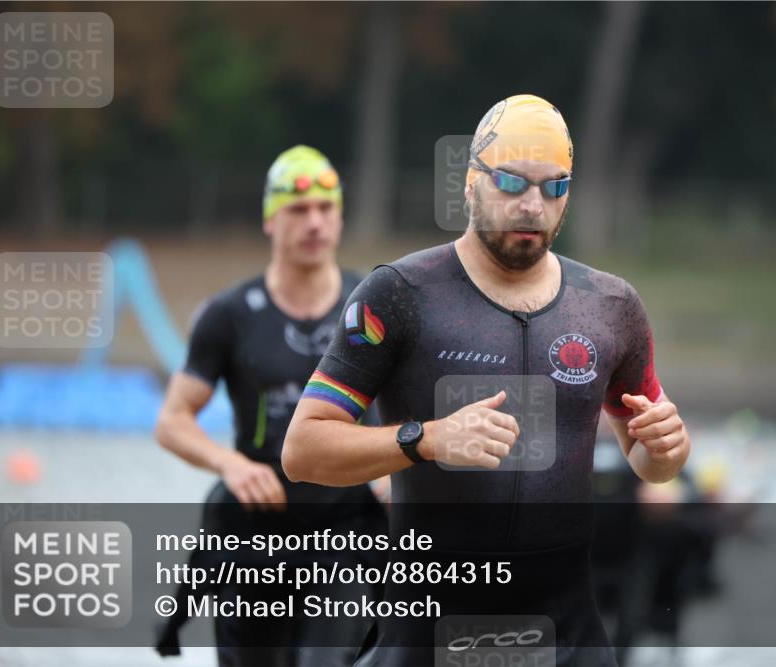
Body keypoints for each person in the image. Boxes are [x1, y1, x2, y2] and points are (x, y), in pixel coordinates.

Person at [283, 95, 691, 666]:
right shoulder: (401, 293)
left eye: (553, 187)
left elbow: (651, 461)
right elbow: (302, 451)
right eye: (512, 182)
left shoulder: (610, 305)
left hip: (564, 632)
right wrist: (425, 439)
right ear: (471, 183)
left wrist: (668, 450)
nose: (532, 205)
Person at [154, 145, 386, 667]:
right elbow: (171, 420)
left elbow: (413, 403)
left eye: (325, 208)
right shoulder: (230, 314)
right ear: (270, 219)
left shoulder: (372, 305)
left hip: (345, 531)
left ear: (340, 217)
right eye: (298, 210)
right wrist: (229, 464)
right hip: (256, 530)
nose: (314, 223)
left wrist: (397, 466)